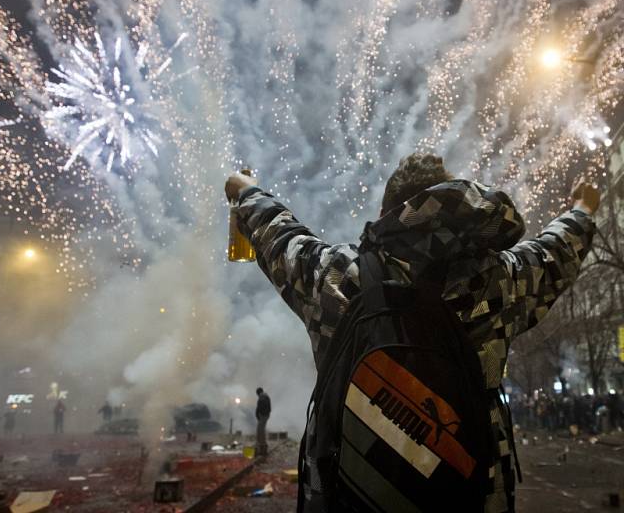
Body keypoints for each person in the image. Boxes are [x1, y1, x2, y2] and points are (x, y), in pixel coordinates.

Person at [225, 153, 598, 512]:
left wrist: (246, 192)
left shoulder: (338, 278)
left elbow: (280, 236)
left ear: (386, 214)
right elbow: (557, 251)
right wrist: (583, 208)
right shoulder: (499, 283)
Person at [255, 387, 271, 456]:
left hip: (263, 416)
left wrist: (260, 415)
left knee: (260, 430)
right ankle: (262, 445)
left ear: (259, 392)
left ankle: (262, 446)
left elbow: (259, 408)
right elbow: (269, 408)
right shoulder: (265, 396)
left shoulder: (262, 397)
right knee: (261, 430)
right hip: (264, 416)